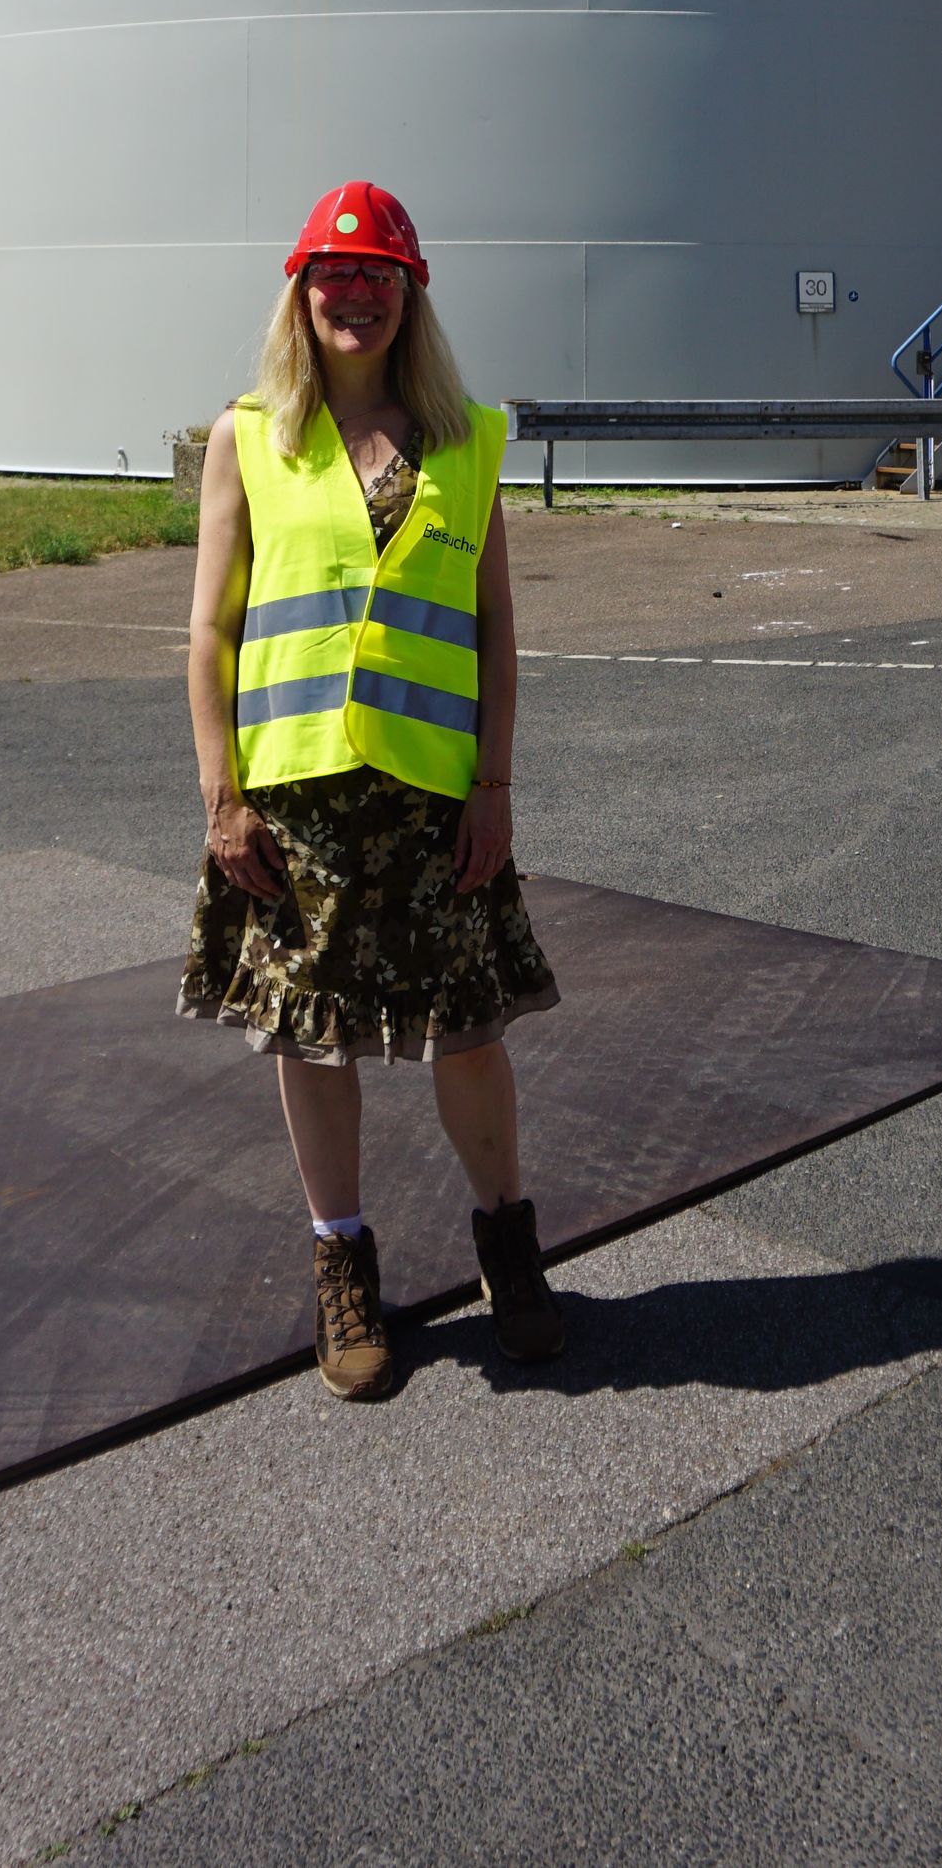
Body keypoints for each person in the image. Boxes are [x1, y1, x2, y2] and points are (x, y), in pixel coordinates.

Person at [180, 178, 563, 1400]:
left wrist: (494, 782)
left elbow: (496, 630)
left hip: (436, 798)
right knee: (312, 1035)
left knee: (470, 1035)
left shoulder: (469, 439)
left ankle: (507, 1243)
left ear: (411, 294)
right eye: (334, 275)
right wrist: (222, 799)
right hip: (295, 803)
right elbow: (210, 630)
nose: (355, 294)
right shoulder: (250, 436)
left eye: (377, 275)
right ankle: (342, 1264)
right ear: (301, 294)